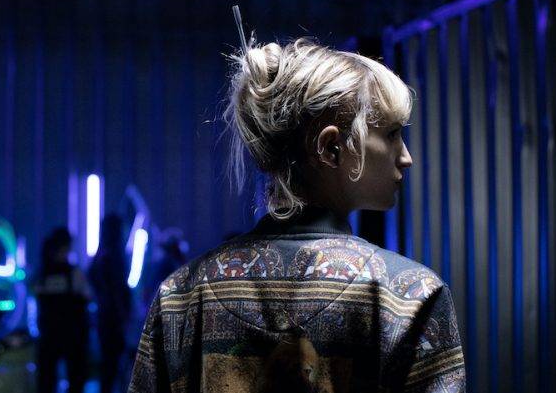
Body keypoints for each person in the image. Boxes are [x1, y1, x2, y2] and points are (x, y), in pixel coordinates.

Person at [127, 30, 465, 392]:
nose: (406, 157)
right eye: (392, 134)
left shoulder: (180, 295)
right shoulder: (411, 296)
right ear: (331, 148)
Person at [34, 227, 92, 393]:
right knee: (76, 378)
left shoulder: (42, 274)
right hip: (73, 334)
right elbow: (87, 297)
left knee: (47, 380)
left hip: (49, 334)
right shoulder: (74, 274)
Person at [88, 213, 134, 393]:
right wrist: (124, 316)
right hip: (114, 316)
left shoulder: (100, 256)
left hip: (104, 314)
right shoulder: (114, 256)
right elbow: (117, 289)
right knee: (114, 364)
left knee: (108, 364)